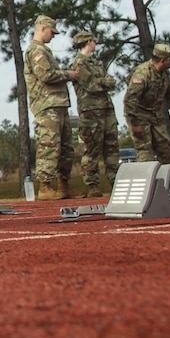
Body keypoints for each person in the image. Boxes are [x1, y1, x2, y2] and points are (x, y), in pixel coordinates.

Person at [24, 15, 78, 200]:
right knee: (49, 145)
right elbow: (46, 76)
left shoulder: (44, 50)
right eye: (51, 32)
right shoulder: (35, 51)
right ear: (42, 29)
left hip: (58, 104)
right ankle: (45, 186)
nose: (53, 36)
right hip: (47, 106)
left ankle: (64, 185)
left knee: (65, 147)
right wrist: (69, 74)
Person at [69, 31, 118, 198]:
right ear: (89, 42)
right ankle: (93, 185)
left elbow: (101, 82)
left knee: (111, 147)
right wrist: (106, 82)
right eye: (93, 41)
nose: (95, 44)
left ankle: (115, 183)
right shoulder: (78, 63)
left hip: (106, 108)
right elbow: (92, 85)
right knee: (92, 148)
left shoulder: (96, 63)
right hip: (90, 111)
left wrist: (104, 82)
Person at [123, 44, 170, 168]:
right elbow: (130, 101)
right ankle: (146, 184)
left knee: (166, 149)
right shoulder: (142, 74)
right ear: (162, 60)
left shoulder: (166, 74)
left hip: (155, 115)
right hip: (139, 115)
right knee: (145, 151)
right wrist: (135, 124)